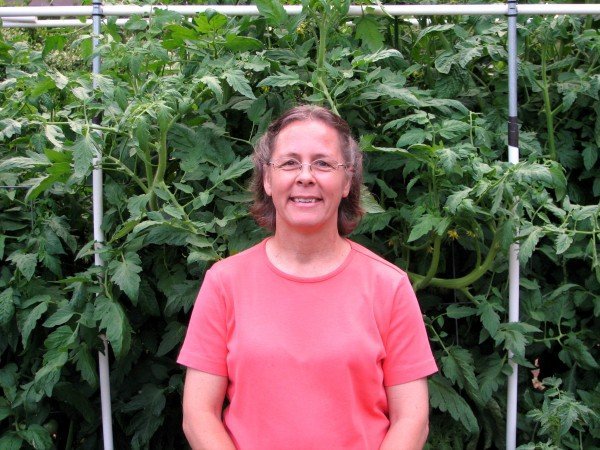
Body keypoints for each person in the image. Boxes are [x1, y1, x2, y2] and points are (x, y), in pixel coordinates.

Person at [177, 105, 438, 450]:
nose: (305, 176)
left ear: (347, 181)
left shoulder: (388, 286)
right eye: (289, 163)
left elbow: (412, 419)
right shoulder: (225, 283)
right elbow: (198, 414)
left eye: (323, 163)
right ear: (267, 180)